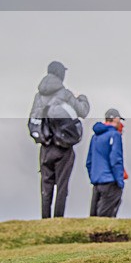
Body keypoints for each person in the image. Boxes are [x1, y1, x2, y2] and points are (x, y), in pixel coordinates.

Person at [28, 61, 90, 218]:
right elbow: (83, 111)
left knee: (46, 186)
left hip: (45, 146)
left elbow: (34, 118)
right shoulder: (65, 94)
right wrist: (82, 98)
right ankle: (58, 218)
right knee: (62, 186)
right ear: (60, 74)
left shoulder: (38, 96)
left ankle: (45, 219)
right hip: (63, 146)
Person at [86, 108, 127, 217]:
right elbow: (115, 159)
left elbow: (89, 162)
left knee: (95, 217)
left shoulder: (95, 137)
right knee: (106, 218)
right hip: (110, 182)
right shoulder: (115, 135)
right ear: (115, 119)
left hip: (97, 182)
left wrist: (93, 177)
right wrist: (120, 182)